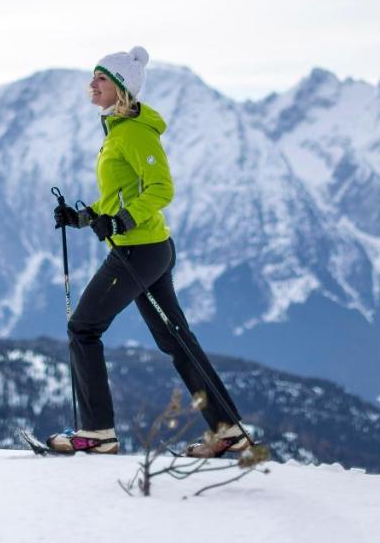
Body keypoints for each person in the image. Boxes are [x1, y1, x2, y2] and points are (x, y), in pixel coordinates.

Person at [47, 46, 249, 457]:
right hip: (146, 250)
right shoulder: (119, 132)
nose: (92, 84)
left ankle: (97, 432)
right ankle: (228, 430)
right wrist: (83, 217)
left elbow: (161, 189)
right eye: (93, 77)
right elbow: (120, 194)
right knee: (176, 340)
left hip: (138, 252)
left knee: (83, 329)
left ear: (121, 88)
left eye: (100, 78)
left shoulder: (135, 133)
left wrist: (122, 222)